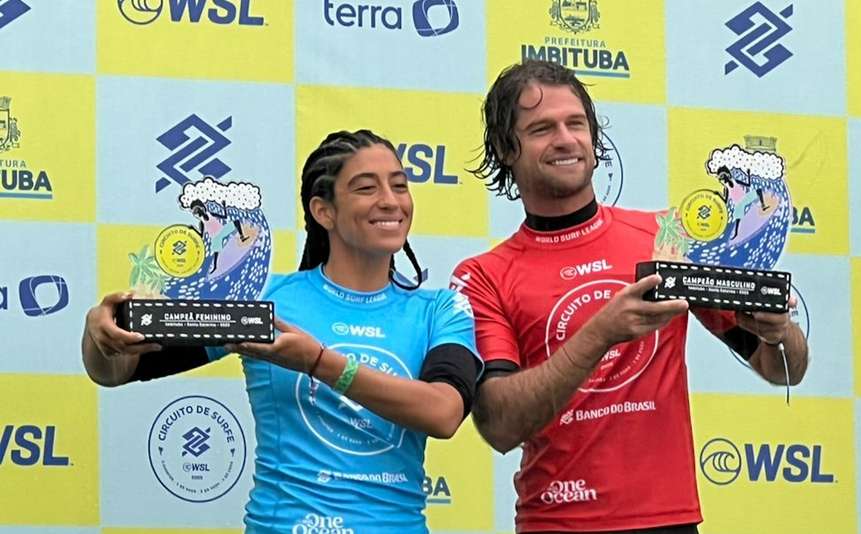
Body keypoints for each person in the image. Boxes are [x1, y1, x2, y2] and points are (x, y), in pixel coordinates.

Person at [452, 60, 809, 534]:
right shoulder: (483, 276)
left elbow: (782, 369)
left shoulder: (668, 238)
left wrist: (780, 332)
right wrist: (601, 332)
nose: (565, 139)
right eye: (541, 129)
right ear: (505, 147)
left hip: (669, 521)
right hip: (557, 522)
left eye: (576, 123)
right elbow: (499, 426)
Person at [83, 130, 483, 533]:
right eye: (366, 188)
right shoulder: (262, 300)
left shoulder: (440, 309)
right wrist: (101, 333)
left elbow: (444, 412)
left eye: (399, 186)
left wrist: (318, 362)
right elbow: (116, 370)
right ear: (323, 211)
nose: (391, 201)